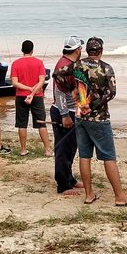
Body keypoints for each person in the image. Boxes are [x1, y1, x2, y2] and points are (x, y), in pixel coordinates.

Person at [74, 37, 127, 207]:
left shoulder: (77, 66)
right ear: (101, 51)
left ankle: (89, 194)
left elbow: (63, 80)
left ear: (87, 51)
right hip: (99, 118)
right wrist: (94, 106)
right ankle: (119, 196)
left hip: (80, 116)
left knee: (84, 156)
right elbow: (111, 93)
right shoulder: (106, 68)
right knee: (108, 157)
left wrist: (83, 103)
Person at [52, 36, 85, 196]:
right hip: (63, 112)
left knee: (71, 148)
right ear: (77, 50)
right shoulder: (64, 65)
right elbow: (59, 93)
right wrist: (64, 115)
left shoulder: (68, 64)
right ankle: (63, 185)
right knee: (63, 149)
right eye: (81, 49)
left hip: (71, 111)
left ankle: (69, 178)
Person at [9, 40, 52, 156]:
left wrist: (28, 89)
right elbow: (42, 81)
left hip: (21, 96)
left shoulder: (16, 63)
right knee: (41, 122)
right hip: (37, 95)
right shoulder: (38, 63)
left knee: (22, 123)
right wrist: (32, 90)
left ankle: (23, 150)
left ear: (22, 50)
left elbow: (14, 83)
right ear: (32, 50)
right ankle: (47, 149)